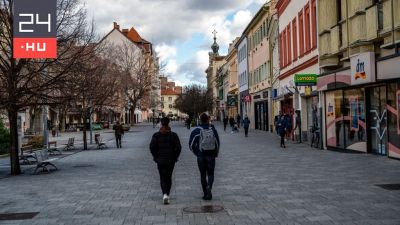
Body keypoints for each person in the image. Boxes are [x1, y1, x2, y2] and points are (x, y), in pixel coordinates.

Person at [150, 117, 182, 205]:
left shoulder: (156, 135)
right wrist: (175, 157)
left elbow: (152, 147)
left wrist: (155, 157)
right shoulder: (173, 135)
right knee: (169, 177)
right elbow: (178, 147)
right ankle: (167, 194)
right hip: (170, 160)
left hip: (160, 160)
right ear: (169, 124)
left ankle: (164, 194)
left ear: (161, 124)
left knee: (162, 177)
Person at [189, 113, 220, 200]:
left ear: (200, 120)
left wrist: (197, 153)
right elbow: (217, 143)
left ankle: (206, 194)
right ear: (207, 120)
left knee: (203, 175)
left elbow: (191, 146)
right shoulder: (213, 130)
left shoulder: (196, 131)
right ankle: (209, 186)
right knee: (211, 174)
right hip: (211, 155)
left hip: (201, 156)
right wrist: (216, 153)